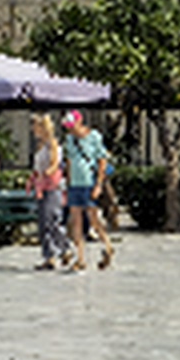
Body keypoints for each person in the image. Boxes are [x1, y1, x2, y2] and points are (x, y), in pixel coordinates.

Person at [64, 109, 114, 269]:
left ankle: (107, 245)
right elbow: (69, 161)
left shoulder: (94, 136)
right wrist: (68, 184)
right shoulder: (69, 139)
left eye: (72, 125)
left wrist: (98, 184)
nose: (70, 129)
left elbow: (102, 160)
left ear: (80, 122)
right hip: (75, 184)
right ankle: (80, 258)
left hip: (89, 182)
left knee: (93, 218)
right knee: (76, 221)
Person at [31, 116, 73, 271]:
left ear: (43, 127)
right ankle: (49, 256)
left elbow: (55, 164)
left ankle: (65, 248)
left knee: (52, 221)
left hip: (52, 187)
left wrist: (45, 174)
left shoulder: (52, 143)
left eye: (35, 126)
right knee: (44, 223)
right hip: (42, 187)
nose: (33, 129)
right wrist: (35, 177)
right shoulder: (40, 145)